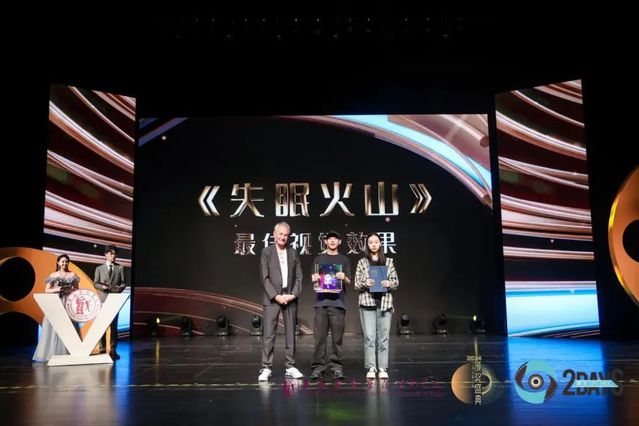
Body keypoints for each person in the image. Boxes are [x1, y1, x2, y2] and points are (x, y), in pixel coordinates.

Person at [258, 222, 304, 381]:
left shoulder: (293, 252)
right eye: (280, 234)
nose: (283, 237)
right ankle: (266, 367)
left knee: (291, 333)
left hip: (290, 297)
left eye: (286, 235)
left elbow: (299, 277)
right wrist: (275, 296)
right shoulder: (266, 252)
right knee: (269, 334)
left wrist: (293, 295)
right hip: (272, 298)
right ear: (274, 234)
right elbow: (264, 278)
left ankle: (290, 366)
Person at [354, 233, 399, 380]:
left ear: (380, 244)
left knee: (383, 338)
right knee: (369, 337)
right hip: (367, 303)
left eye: (376, 242)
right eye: (370, 242)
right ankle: (371, 367)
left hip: (384, 303)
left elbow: (396, 283)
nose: (373, 244)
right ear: (367, 245)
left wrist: (389, 283)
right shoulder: (362, 262)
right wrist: (365, 283)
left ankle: (382, 367)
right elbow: (356, 284)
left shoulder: (389, 261)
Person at [310, 230, 351, 380]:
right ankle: (318, 368)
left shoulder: (344, 260)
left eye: (335, 239)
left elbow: (349, 281)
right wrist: (314, 278)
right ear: (325, 241)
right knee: (319, 339)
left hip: (338, 304)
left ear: (339, 242)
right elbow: (314, 280)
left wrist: (344, 277)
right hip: (321, 303)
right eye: (330, 239)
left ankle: (336, 367)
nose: (332, 241)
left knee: (337, 339)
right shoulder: (318, 259)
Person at [33, 254, 80, 362]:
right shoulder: (53, 275)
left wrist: (69, 289)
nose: (65, 263)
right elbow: (47, 290)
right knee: (53, 328)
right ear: (58, 263)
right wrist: (58, 289)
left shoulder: (73, 275)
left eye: (66, 261)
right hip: (56, 303)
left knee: (68, 327)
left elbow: (77, 290)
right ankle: (52, 352)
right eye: (62, 261)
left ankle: (69, 352)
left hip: (68, 303)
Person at [93, 245, 126, 360]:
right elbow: (95, 283)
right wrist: (102, 287)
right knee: (102, 326)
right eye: (111, 254)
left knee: (114, 327)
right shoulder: (99, 268)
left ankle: (113, 350)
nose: (113, 256)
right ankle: (102, 349)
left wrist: (119, 289)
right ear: (106, 254)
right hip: (103, 300)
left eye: (115, 254)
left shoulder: (120, 268)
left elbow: (123, 283)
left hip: (114, 300)